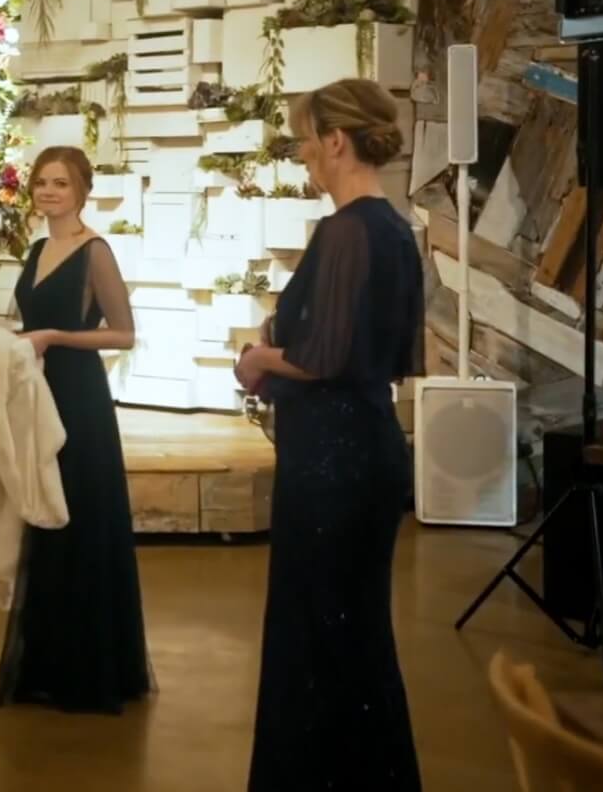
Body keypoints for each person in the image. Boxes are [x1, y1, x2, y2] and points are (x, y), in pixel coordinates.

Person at [233, 78, 423, 791]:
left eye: (308, 138)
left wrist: (258, 359)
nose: (304, 152)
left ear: (337, 141)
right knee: (355, 636)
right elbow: (371, 347)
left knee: (323, 637)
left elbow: (325, 356)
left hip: (332, 463)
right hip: (365, 447)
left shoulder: (346, 229)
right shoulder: (394, 227)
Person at [0, 145, 150, 714]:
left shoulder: (94, 251)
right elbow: (23, 324)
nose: (48, 191)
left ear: (82, 190)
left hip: (78, 397)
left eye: (60, 182)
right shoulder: (36, 250)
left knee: (78, 516)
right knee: (43, 517)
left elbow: (124, 334)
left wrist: (55, 338)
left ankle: (88, 670)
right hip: (36, 394)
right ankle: (48, 664)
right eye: (41, 182)